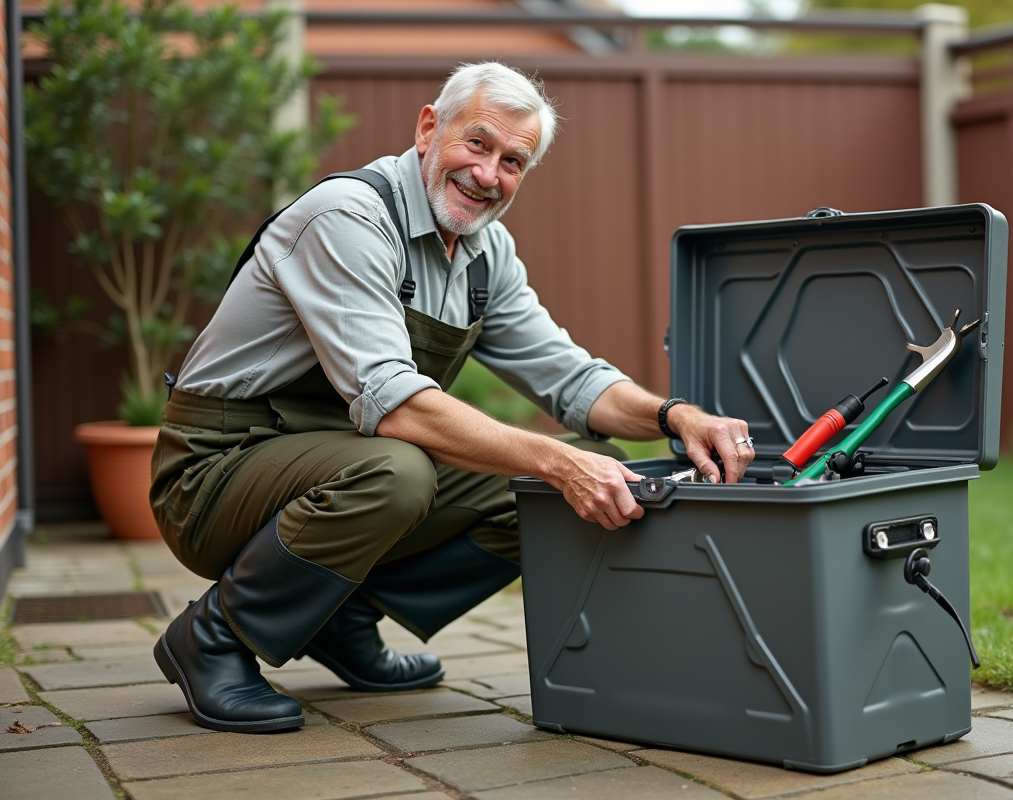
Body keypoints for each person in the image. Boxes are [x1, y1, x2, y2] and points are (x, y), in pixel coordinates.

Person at [149, 62, 755, 734]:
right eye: (478, 144)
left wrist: (676, 416)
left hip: (331, 460)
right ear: (429, 127)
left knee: (578, 462)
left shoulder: (484, 252)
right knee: (403, 470)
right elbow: (398, 405)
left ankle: (338, 615)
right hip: (217, 471)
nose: (489, 175)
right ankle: (213, 638)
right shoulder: (348, 217)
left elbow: (571, 378)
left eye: (513, 161)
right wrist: (550, 461)